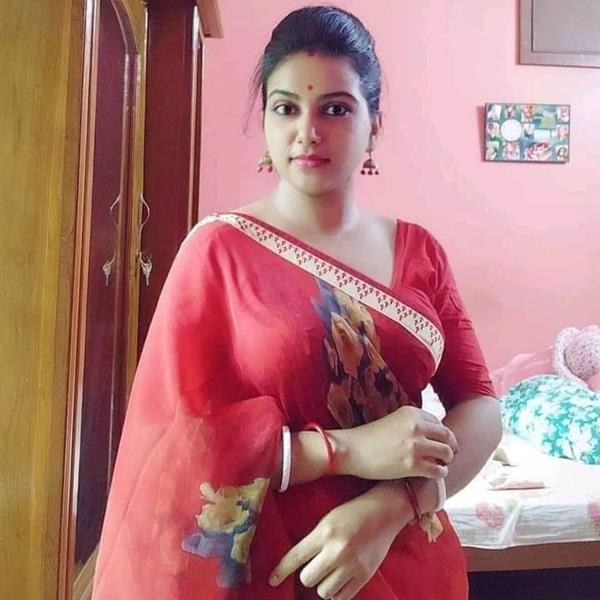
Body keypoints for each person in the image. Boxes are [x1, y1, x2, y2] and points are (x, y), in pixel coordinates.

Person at [92, 6, 501, 599]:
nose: (307, 130)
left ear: (374, 125)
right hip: (277, 568)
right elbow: (172, 443)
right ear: (266, 121)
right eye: (286, 108)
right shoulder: (219, 252)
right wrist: (343, 450)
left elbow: (480, 405)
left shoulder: (420, 252)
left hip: (407, 558)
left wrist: (391, 508)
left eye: (335, 108)